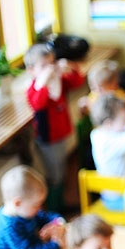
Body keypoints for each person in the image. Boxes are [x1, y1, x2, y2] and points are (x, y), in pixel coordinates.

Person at [24, 43, 85, 212]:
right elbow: (37, 103)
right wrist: (43, 82)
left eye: (51, 63)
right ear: (31, 70)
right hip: (49, 138)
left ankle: (60, 203)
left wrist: (70, 67)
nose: (49, 69)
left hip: (61, 133)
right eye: (43, 66)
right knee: (55, 176)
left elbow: (77, 81)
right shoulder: (34, 89)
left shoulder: (58, 81)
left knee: (62, 170)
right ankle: (54, 208)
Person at [76, 59, 125, 170]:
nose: (96, 91)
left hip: (116, 137)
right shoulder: (94, 96)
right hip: (100, 137)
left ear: (114, 85)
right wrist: (83, 108)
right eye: (93, 88)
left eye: (100, 88)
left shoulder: (120, 98)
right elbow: (84, 115)